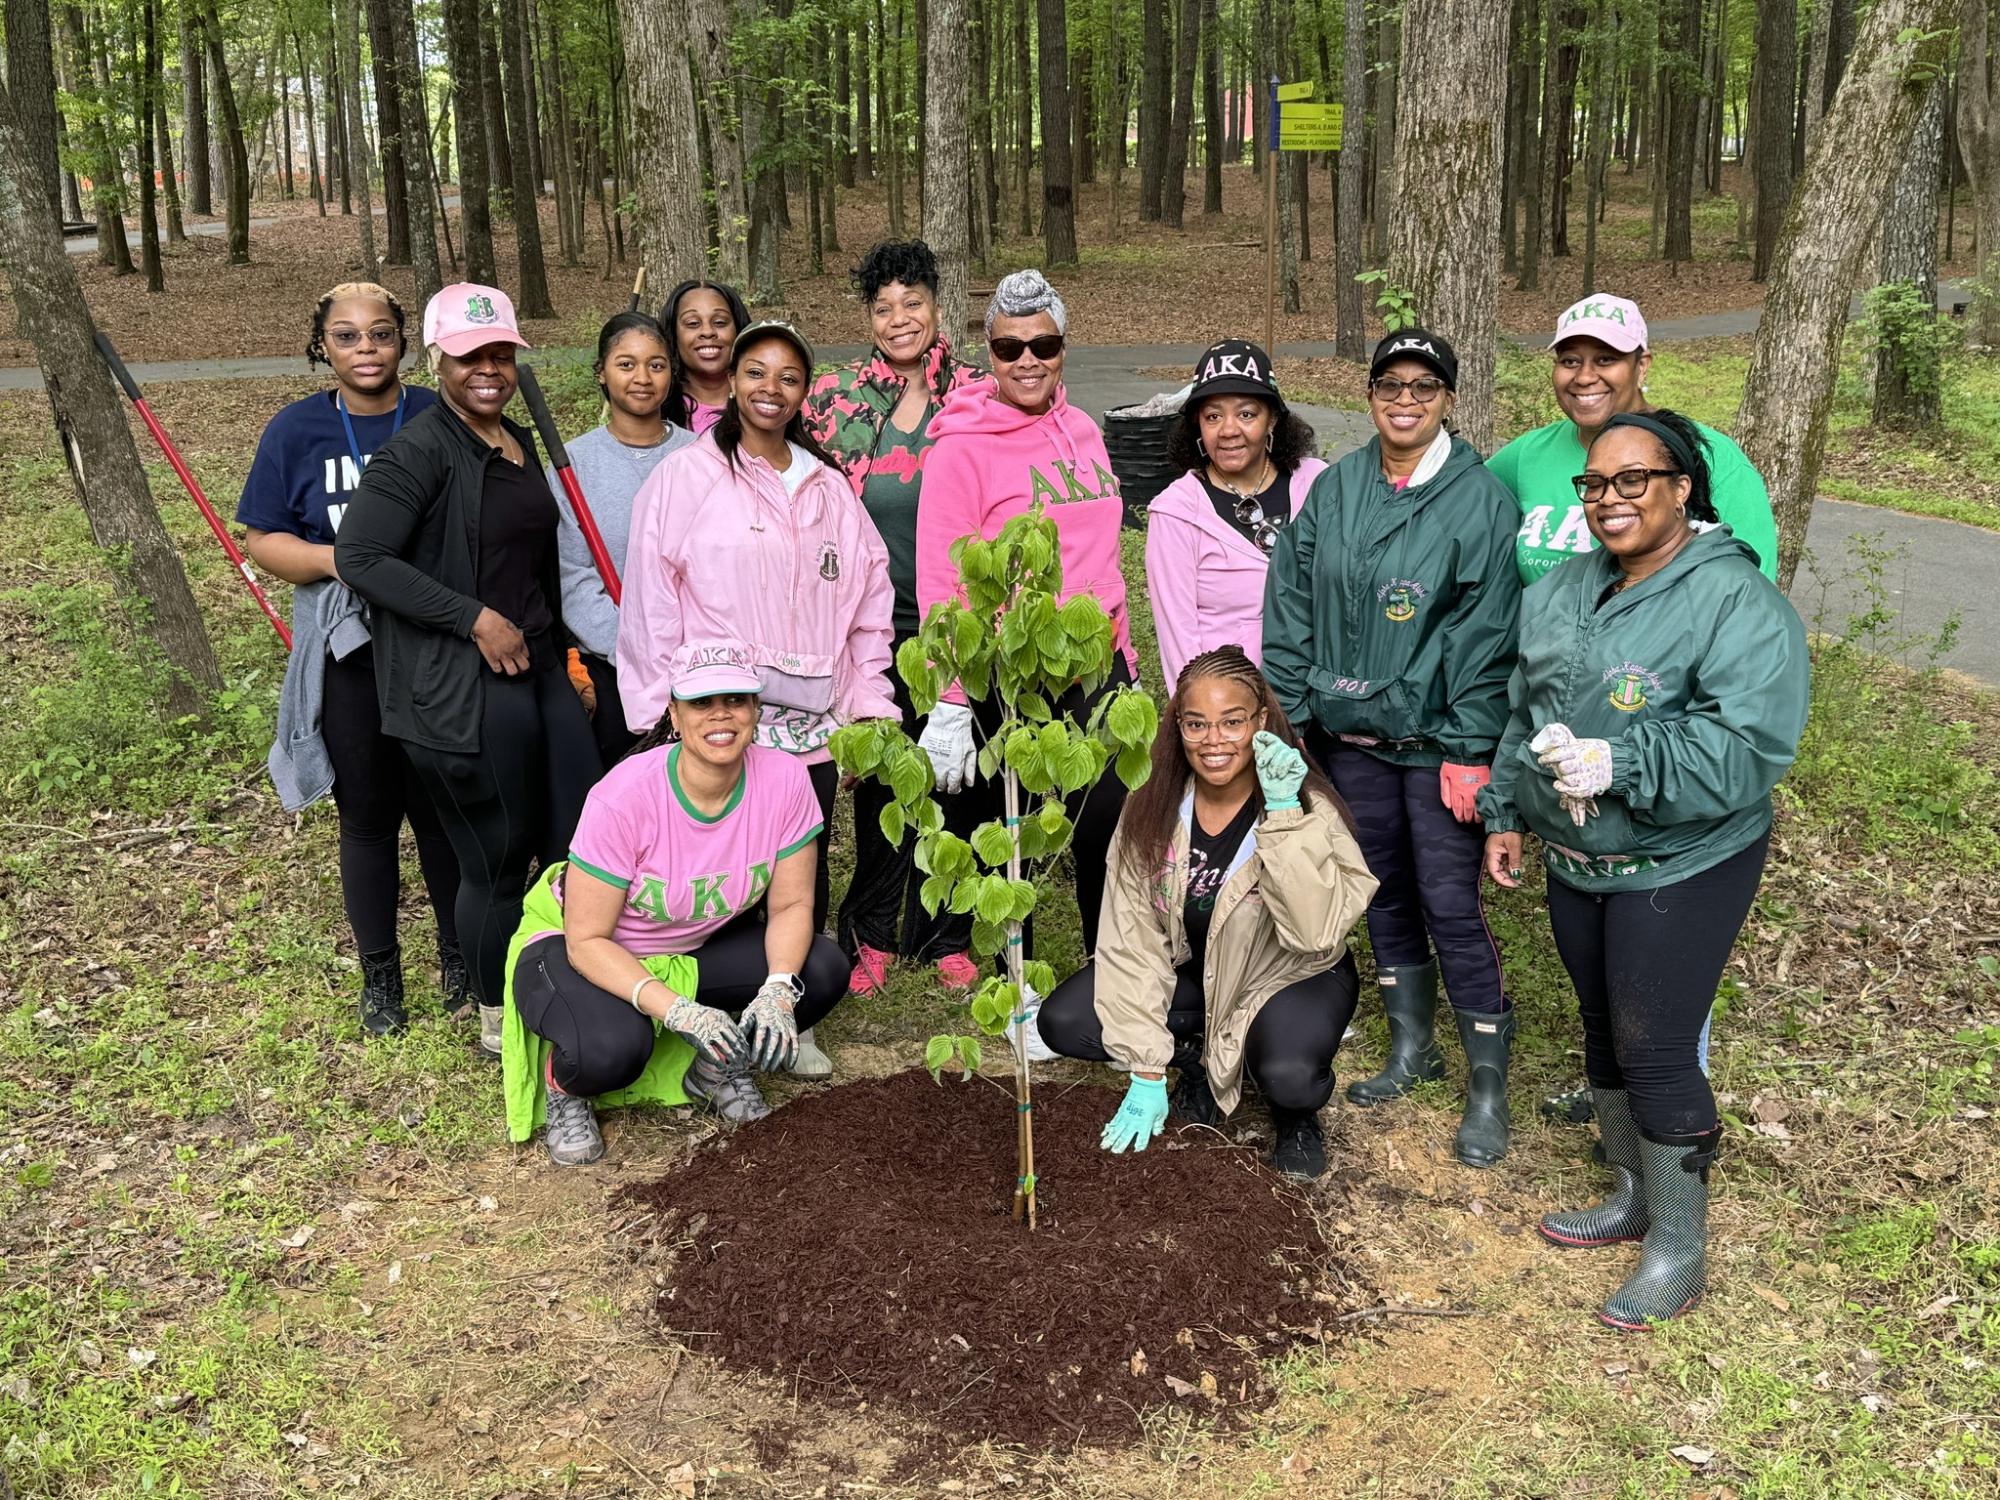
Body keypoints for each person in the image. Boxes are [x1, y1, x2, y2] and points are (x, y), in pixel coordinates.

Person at [1479, 410, 1808, 1330]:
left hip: (1685, 856)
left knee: (1657, 1048)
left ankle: (1679, 1249)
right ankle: (1632, 1196)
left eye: (1633, 481)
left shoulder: (1735, 601)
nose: (1609, 500)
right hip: (1578, 855)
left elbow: (1751, 747)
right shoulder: (1562, 591)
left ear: (1681, 488)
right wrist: (1508, 811)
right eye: (1594, 484)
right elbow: (1523, 710)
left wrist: (1624, 762)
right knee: (1602, 1032)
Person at [1262, 329, 1523, 1168]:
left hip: (1438, 740)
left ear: (1447, 396)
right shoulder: (1336, 488)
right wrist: (1296, 717)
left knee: (1450, 901)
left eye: (1424, 385)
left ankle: (1487, 1084)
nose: (1404, 399)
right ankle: (1413, 1048)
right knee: (1380, 892)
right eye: (1389, 383)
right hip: (1350, 738)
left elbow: (1488, 635)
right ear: (1369, 391)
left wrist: (1472, 744)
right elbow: (1292, 601)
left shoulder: (1476, 499)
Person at [617, 319, 897, 1077]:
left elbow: (870, 604)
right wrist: (657, 711)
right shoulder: (686, 477)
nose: (770, 389)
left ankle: (788, 1018)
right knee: (717, 869)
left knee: (799, 869)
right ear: (730, 383)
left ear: (806, 392)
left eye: (789, 377)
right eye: (755, 372)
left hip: (810, 728)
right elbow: (651, 598)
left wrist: (868, 708)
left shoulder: (830, 488)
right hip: (720, 722)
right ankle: (706, 1018)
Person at [336, 283, 602, 1064]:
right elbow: (360, 557)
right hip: (461, 687)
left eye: (500, 354)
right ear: (438, 360)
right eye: (468, 356)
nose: (488, 369)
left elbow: (531, 561)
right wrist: (471, 616)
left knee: (577, 833)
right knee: (498, 851)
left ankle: (568, 978)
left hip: (540, 668)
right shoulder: (418, 451)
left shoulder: (513, 439)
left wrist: (568, 657)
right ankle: (496, 1018)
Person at [502, 643, 855, 1164]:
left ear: (756, 710)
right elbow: (587, 939)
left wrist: (778, 990)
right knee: (612, 1050)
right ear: (674, 713)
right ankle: (566, 1089)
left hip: (688, 945)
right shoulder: (625, 797)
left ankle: (711, 1073)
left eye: (736, 700)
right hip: (580, 948)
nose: (721, 715)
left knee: (819, 968)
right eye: (701, 702)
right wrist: (681, 1012)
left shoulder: (784, 780)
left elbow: (791, 907)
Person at [1036, 648, 1377, 1180]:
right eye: (1196, 724)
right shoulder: (1152, 805)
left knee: (1289, 1074)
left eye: (1232, 722)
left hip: (1289, 974)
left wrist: (1284, 818)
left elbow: (1314, 934)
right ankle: (1194, 1060)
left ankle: (1296, 1117)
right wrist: (1148, 1069)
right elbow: (1131, 935)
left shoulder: (1305, 804)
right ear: (1179, 727)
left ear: (1261, 721)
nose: (1213, 741)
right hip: (1197, 968)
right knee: (1066, 1021)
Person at [238, 282, 462, 1037]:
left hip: (434, 645)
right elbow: (263, 538)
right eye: (346, 336)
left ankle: (459, 958)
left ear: (403, 341)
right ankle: (382, 979)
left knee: (439, 806)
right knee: (368, 815)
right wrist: (345, 560)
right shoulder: (296, 430)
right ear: (323, 347)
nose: (366, 349)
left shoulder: (438, 413)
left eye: (380, 334)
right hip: (348, 649)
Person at [916, 270, 1138, 968]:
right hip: (1013, 668)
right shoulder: (960, 447)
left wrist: (1123, 656)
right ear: (989, 354)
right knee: (1011, 832)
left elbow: (1102, 553)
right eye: (1011, 348)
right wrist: (951, 698)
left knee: (1106, 823)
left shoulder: (1083, 430)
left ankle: (1114, 975)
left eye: (1043, 343)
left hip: (1098, 663)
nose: (1028, 360)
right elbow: (942, 580)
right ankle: (1021, 995)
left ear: (1064, 347)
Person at [803, 239, 986, 996]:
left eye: (913, 302)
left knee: (959, 782)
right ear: (868, 317)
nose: (900, 318)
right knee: (880, 778)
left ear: (937, 306)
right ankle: (873, 931)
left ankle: (946, 931)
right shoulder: (833, 397)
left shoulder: (975, 393)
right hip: (872, 627)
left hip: (959, 625)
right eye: (883, 307)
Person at [1488, 293, 1779, 588]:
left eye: (1606, 359)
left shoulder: (1709, 456)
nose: (1585, 376)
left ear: (1641, 366)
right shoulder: (1527, 455)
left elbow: (1752, 591)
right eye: (1570, 360)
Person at [551, 312, 693, 766]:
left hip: (697, 667)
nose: (642, 378)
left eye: (656, 365)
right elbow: (572, 575)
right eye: (626, 364)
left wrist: (687, 651)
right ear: (602, 372)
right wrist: (632, 650)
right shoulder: (573, 464)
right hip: (613, 667)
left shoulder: (701, 457)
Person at [1145, 339, 1326, 686]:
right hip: (1233, 712)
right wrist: (1208, 724)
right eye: (1213, 416)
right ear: (1198, 425)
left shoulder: (1317, 484)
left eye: (1246, 413)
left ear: (1271, 418)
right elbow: (1178, 643)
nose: (1229, 430)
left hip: (1321, 705)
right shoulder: (1176, 514)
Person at [659, 279, 750, 436]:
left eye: (720, 322)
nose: (707, 332)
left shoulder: (766, 402)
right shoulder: (656, 409)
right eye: (693, 323)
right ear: (673, 335)